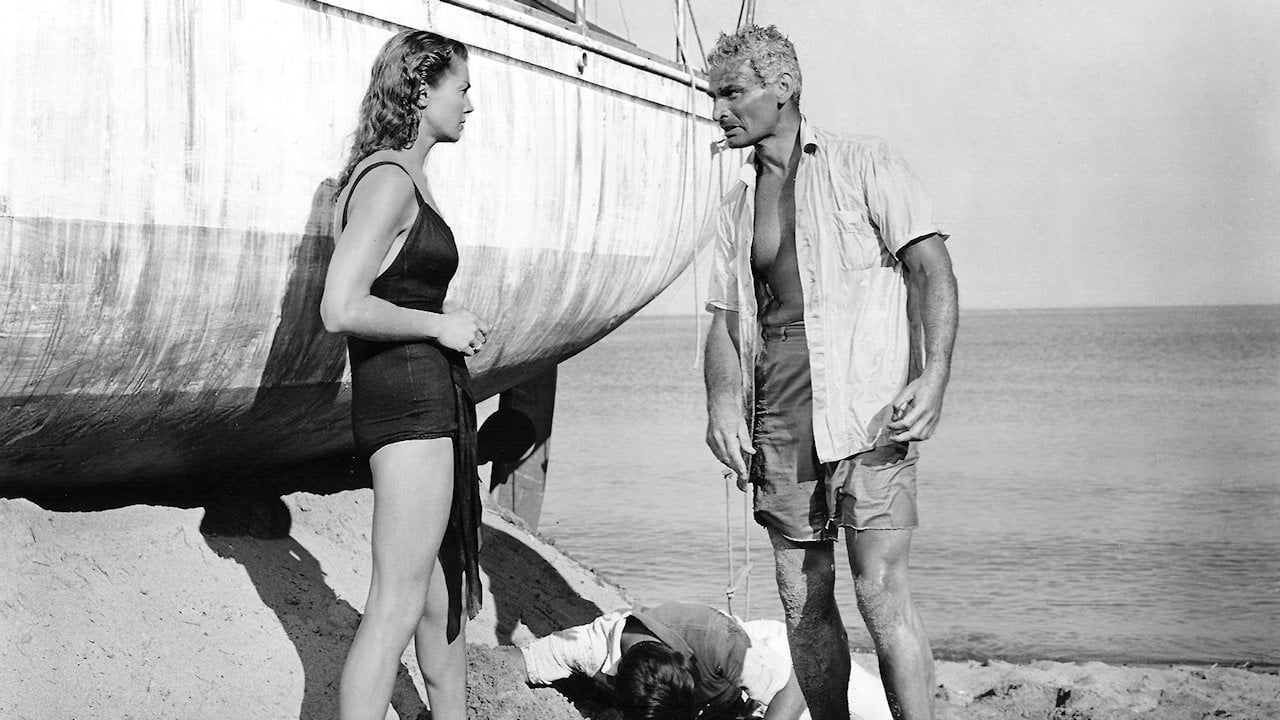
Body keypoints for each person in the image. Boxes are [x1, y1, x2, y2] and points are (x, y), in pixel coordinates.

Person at [700, 26, 959, 720]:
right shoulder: (736, 203)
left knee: (880, 592)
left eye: (733, 93)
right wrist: (721, 403)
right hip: (779, 418)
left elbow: (931, 268)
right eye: (713, 96)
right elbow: (724, 319)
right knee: (801, 596)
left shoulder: (863, 162)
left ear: (783, 88)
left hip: (868, 408)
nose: (719, 111)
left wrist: (934, 375)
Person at [320, 30, 490, 720]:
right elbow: (340, 307)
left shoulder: (401, 176)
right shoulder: (388, 180)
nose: (470, 105)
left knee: (440, 604)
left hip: (427, 401)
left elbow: (391, 289)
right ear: (422, 90)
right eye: (462, 88)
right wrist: (438, 326)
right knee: (395, 602)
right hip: (410, 407)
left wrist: (439, 320)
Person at [504, 601, 892, 720]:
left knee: (884, 713)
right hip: (722, 702)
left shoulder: (716, 640)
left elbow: (799, 683)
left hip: (778, 662)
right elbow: (517, 663)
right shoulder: (585, 647)